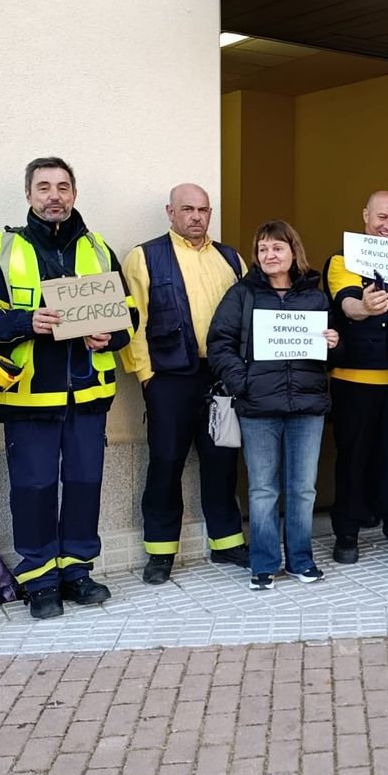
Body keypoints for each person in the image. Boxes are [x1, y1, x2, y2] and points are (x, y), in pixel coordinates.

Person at [0, 157, 136, 619]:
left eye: (62, 187)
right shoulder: (2, 249)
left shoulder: (98, 248)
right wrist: (26, 321)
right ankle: (39, 579)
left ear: (74, 194)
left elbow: (129, 312)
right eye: (44, 187)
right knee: (34, 488)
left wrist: (112, 335)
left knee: (84, 484)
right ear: (28, 196)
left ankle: (78, 572)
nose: (54, 195)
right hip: (29, 396)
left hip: (87, 394)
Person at [120, 183, 246, 585]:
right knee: (166, 461)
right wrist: (147, 376)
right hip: (169, 379)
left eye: (203, 210)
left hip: (221, 377)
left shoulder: (231, 258)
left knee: (222, 459)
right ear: (170, 212)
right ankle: (160, 551)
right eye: (187, 209)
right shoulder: (144, 256)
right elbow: (132, 321)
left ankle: (227, 542)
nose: (196, 216)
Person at [207, 221, 338, 588]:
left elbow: (334, 351)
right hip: (258, 406)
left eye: (277, 248)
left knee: (303, 488)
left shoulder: (315, 295)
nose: (269, 255)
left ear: (293, 251)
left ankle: (300, 560)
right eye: (263, 249)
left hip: (307, 407)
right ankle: (263, 563)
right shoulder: (242, 294)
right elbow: (219, 342)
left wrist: (333, 341)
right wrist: (242, 381)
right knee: (263, 489)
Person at [325, 190, 388, 563]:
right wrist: (362, 306)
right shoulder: (341, 259)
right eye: (383, 218)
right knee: (352, 460)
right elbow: (345, 301)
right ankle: (346, 534)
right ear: (365, 216)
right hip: (353, 380)